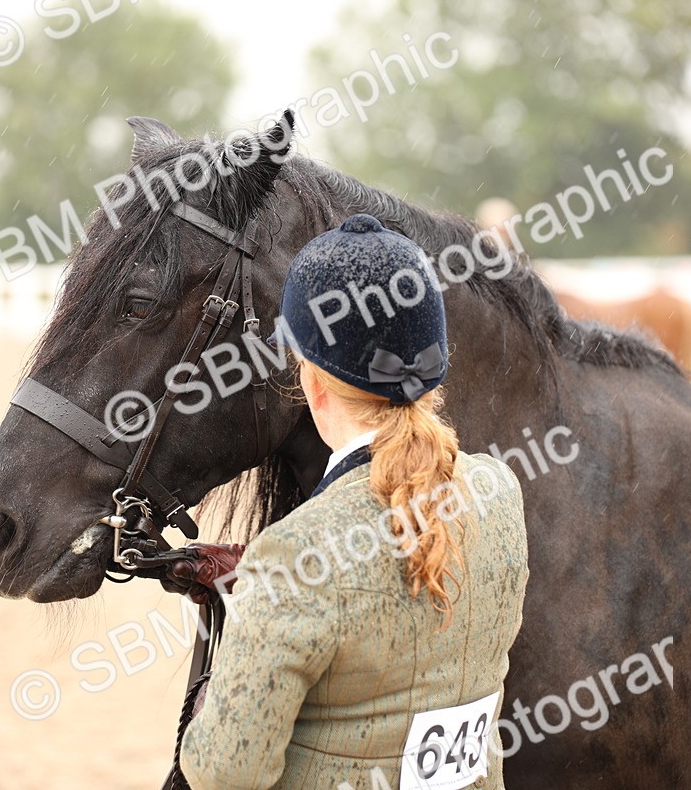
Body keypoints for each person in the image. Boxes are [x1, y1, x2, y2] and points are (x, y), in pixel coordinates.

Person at [171, 214, 530, 789]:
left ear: (311, 381)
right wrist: (271, 594)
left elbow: (224, 772)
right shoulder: (498, 492)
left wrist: (251, 622)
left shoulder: (293, 554)